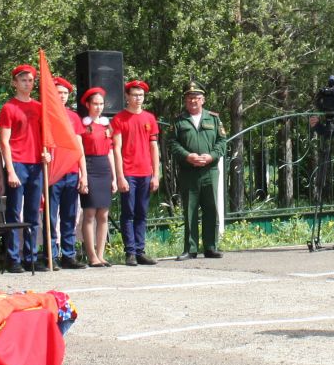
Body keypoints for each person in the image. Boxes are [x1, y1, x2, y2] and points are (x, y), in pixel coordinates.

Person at [0, 64, 44, 273]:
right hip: (17, 162)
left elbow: (46, 136)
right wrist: (10, 170)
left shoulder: (39, 107)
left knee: (33, 213)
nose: (28, 83)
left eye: (31, 80)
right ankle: (13, 257)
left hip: (36, 163)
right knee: (14, 212)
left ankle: (31, 256)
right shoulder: (9, 107)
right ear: (15, 83)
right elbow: (4, 141)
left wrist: (47, 152)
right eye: (23, 80)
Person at [172, 83, 225, 259]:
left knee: (211, 208)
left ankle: (211, 246)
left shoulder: (214, 119)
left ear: (203, 100)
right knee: (190, 209)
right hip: (189, 171)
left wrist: (211, 156)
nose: (193, 101)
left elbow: (221, 142)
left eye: (196, 98)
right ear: (185, 101)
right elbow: (172, 144)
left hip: (210, 171)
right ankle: (191, 249)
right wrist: (188, 156)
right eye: (189, 98)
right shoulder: (179, 120)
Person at [111, 80, 161, 265]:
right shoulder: (119, 119)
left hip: (145, 172)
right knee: (128, 212)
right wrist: (120, 176)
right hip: (129, 172)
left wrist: (156, 174)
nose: (137, 98)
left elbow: (154, 147)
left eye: (140, 95)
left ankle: (140, 250)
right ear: (127, 96)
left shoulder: (149, 118)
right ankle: (130, 252)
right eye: (134, 95)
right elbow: (116, 149)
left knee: (142, 212)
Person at [47, 76, 85, 270]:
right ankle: (51, 254)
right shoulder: (45, 114)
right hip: (53, 172)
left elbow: (79, 147)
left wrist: (83, 174)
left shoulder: (73, 117)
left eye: (64, 93)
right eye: (58, 92)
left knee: (70, 215)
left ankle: (68, 254)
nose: (61, 96)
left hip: (71, 171)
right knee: (51, 217)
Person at [77, 87, 117, 268]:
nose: (99, 107)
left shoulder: (106, 125)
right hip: (90, 166)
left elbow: (110, 152)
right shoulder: (83, 125)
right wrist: (83, 175)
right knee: (90, 213)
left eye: (101, 104)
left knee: (104, 213)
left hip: (104, 168)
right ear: (87, 104)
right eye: (95, 104)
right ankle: (91, 255)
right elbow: (80, 153)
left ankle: (101, 255)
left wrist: (114, 177)